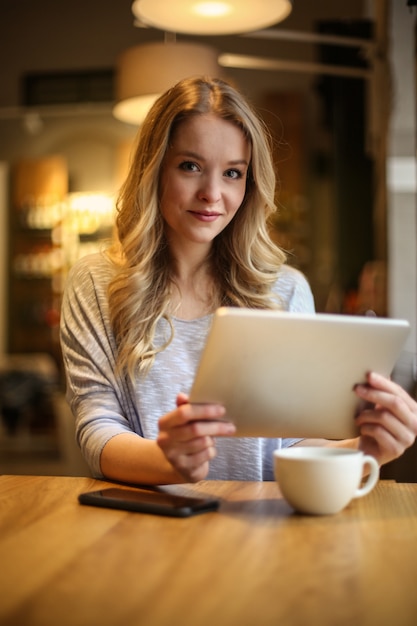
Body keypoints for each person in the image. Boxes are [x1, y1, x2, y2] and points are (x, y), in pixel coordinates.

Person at [60, 76, 417, 485]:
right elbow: (96, 427)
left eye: (232, 173)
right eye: (190, 166)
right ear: (154, 169)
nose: (212, 193)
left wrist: (365, 451)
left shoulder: (285, 290)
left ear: (249, 184)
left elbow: (292, 444)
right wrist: (166, 460)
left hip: (264, 536)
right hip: (147, 527)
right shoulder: (95, 283)